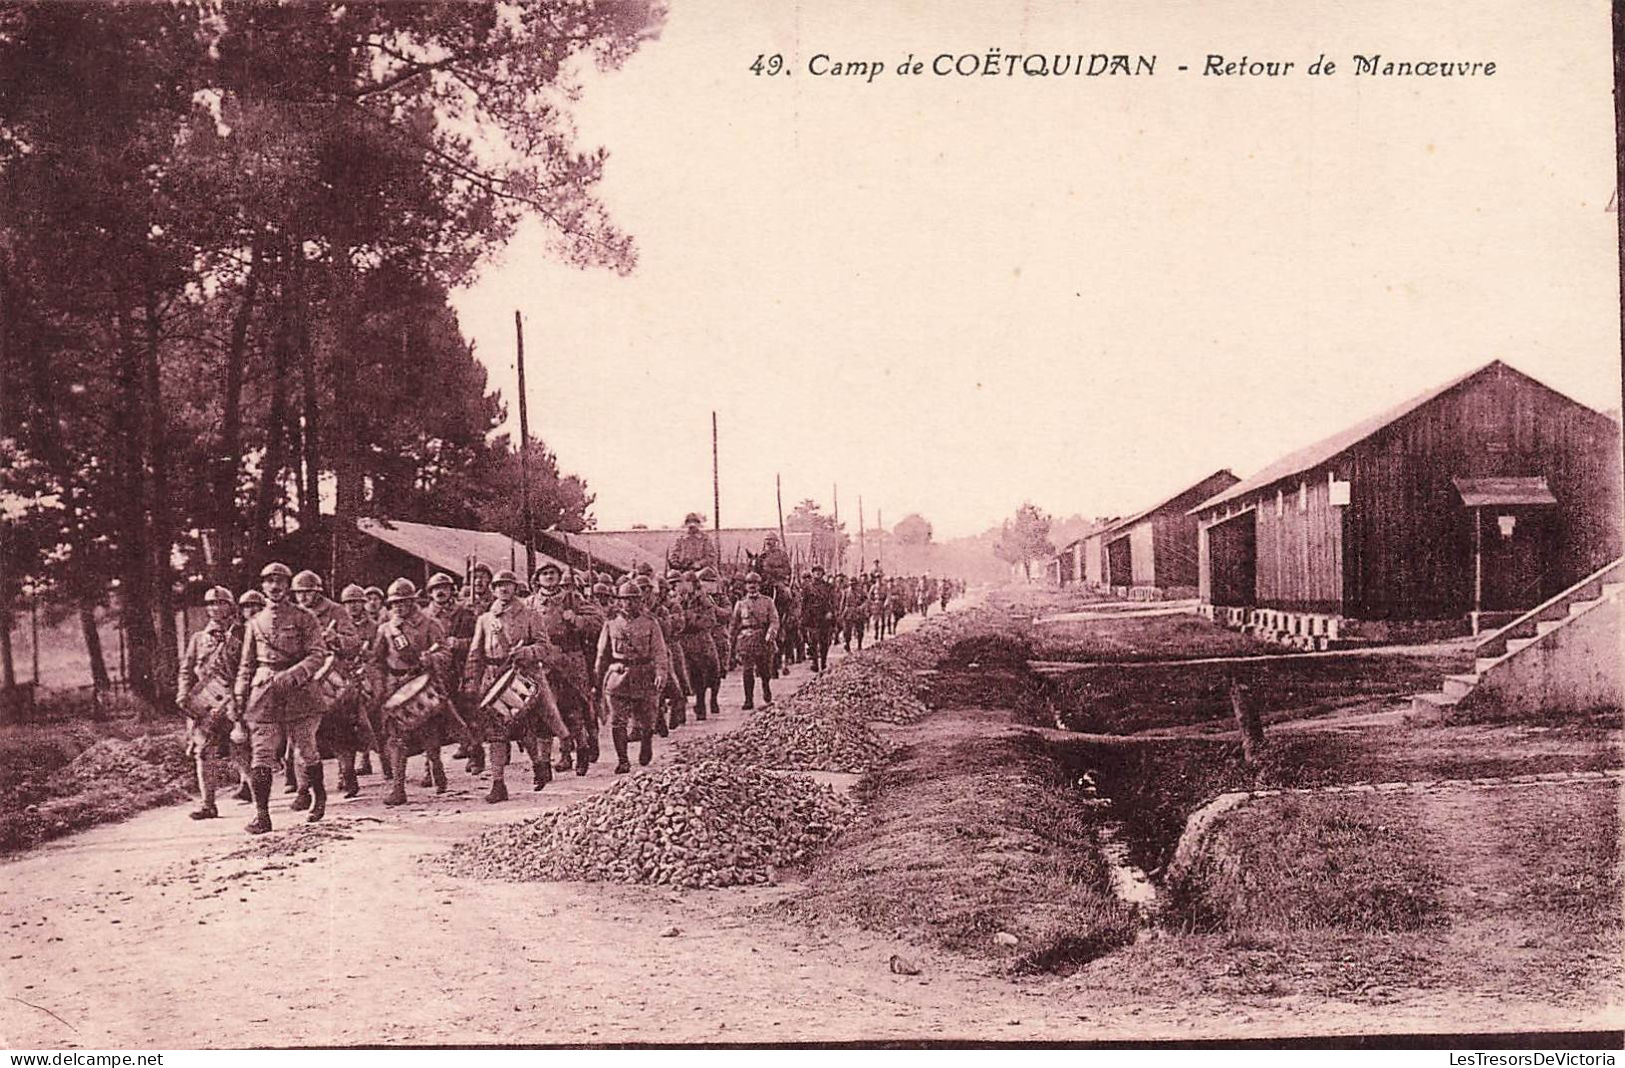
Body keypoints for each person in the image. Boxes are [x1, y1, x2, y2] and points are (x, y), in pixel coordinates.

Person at [234, 562, 330, 834]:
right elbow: (246, 664)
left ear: (288, 586)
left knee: (305, 749)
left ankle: (319, 796)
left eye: (280, 581)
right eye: (269, 581)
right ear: (262, 586)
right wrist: (241, 695)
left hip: (299, 692)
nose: (274, 586)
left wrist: (295, 673)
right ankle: (262, 815)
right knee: (262, 753)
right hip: (265, 692)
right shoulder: (255, 623)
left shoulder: (304, 617)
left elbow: (317, 654)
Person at [465, 569, 570, 803]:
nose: (503, 589)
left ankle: (539, 764)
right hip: (494, 681)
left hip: (523, 679)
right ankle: (498, 783)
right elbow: (475, 653)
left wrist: (528, 652)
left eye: (508, 585)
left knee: (525, 730)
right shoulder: (485, 620)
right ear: (493, 590)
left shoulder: (531, 615)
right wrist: (471, 681)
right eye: (499, 585)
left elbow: (546, 649)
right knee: (495, 734)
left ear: (515, 587)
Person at [370, 578, 454, 807]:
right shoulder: (386, 629)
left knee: (429, 735)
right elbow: (376, 660)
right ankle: (398, 787)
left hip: (422, 684)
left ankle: (436, 767)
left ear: (412, 601)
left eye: (403, 601)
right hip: (395, 686)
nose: (399, 606)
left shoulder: (430, 624)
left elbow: (446, 653)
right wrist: (380, 685)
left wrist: (431, 659)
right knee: (395, 739)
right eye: (395, 602)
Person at [288, 570, 357, 811]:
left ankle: (347, 774)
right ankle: (303, 789)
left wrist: (335, 637)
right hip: (303, 679)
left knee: (338, 733)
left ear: (318, 591)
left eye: (307, 592)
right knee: (301, 736)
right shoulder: (291, 614)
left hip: (332, 678)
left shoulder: (336, 611)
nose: (303, 597)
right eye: (298, 593)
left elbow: (353, 643)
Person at [176, 586, 243, 820]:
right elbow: (186, 669)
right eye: (211, 604)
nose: (215, 608)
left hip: (235, 701)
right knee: (203, 752)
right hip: (206, 702)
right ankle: (208, 804)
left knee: (242, 750)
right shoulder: (198, 639)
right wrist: (184, 693)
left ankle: (257, 798)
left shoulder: (242, 636)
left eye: (220, 603)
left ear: (230, 606)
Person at [530, 561, 599, 776]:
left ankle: (581, 750)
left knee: (573, 710)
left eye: (553, 573)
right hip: (544, 662)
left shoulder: (572, 598)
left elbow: (598, 620)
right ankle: (556, 758)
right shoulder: (530, 603)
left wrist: (577, 619)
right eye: (545, 573)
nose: (549, 577)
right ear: (537, 579)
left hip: (570, 661)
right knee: (547, 711)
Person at [595, 581, 672, 773]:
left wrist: (661, 673)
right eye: (625, 600)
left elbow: (659, 651)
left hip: (644, 674)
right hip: (619, 675)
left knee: (647, 720)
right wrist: (597, 679)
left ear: (640, 601)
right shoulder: (611, 623)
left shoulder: (650, 623)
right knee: (618, 721)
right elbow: (602, 654)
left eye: (633, 600)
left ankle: (646, 743)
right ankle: (623, 760)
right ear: (620, 602)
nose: (629, 604)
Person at [423, 572, 484, 776]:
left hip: (459, 669)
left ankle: (476, 752)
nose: (440, 592)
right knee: (430, 719)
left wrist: (458, 643)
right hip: (435, 672)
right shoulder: (425, 617)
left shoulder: (464, 613)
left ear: (452, 591)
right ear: (430, 593)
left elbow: (478, 641)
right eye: (435, 589)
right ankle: (430, 768)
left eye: (444, 588)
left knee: (465, 714)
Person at [729, 572, 779, 710]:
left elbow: (774, 620)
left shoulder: (767, 601)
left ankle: (766, 687)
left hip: (762, 638)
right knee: (747, 670)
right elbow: (734, 624)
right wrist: (731, 642)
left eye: (755, 583)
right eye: (749, 583)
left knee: (764, 670)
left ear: (759, 585)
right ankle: (748, 699)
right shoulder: (740, 604)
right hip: (746, 639)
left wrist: (771, 633)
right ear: (745, 586)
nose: (752, 586)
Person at [675, 570, 722, 721]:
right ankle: (680, 709)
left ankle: (701, 704)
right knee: (681, 675)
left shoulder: (704, 600)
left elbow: (710, 620)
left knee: (705, 672)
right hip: (682, 641)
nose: (684, 586)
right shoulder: (678, 600)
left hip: (700, 640)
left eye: (687, 582)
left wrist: (692, 619)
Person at [800, 565, 837, 673]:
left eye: (819, 571)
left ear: (823, 574)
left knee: (824, 642)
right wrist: (803, 616)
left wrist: (831, 612)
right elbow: (804, 603)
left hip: (824, 617)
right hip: (812, 617)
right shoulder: (807, 587)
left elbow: (833, 601)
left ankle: (823, 662)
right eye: (815, 571)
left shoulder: (828, 587)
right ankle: (815, 663)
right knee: (812, 641)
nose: (817, 573)